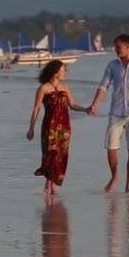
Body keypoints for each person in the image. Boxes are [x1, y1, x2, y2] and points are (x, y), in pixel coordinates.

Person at [87, 34, 129, 193]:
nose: (116, 50)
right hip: (116, 112)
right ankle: (115, 176)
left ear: (128, 47)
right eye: (115, 47)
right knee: (111, 147)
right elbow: (103, 86)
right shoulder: (112, 65)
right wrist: (95, 104)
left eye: (118, 48)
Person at [27, 60, 88, 195]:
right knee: (51, 154)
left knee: (61, 155)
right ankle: (49, 185)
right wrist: (31, 128)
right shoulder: (43, 88)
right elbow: (36, 109)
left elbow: (72, 105)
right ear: (55, 72)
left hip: (64, 127)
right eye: (63, 70)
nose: (65, 72)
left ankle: (51, 186)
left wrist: (86, 109)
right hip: (50, 126)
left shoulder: (65, 87)